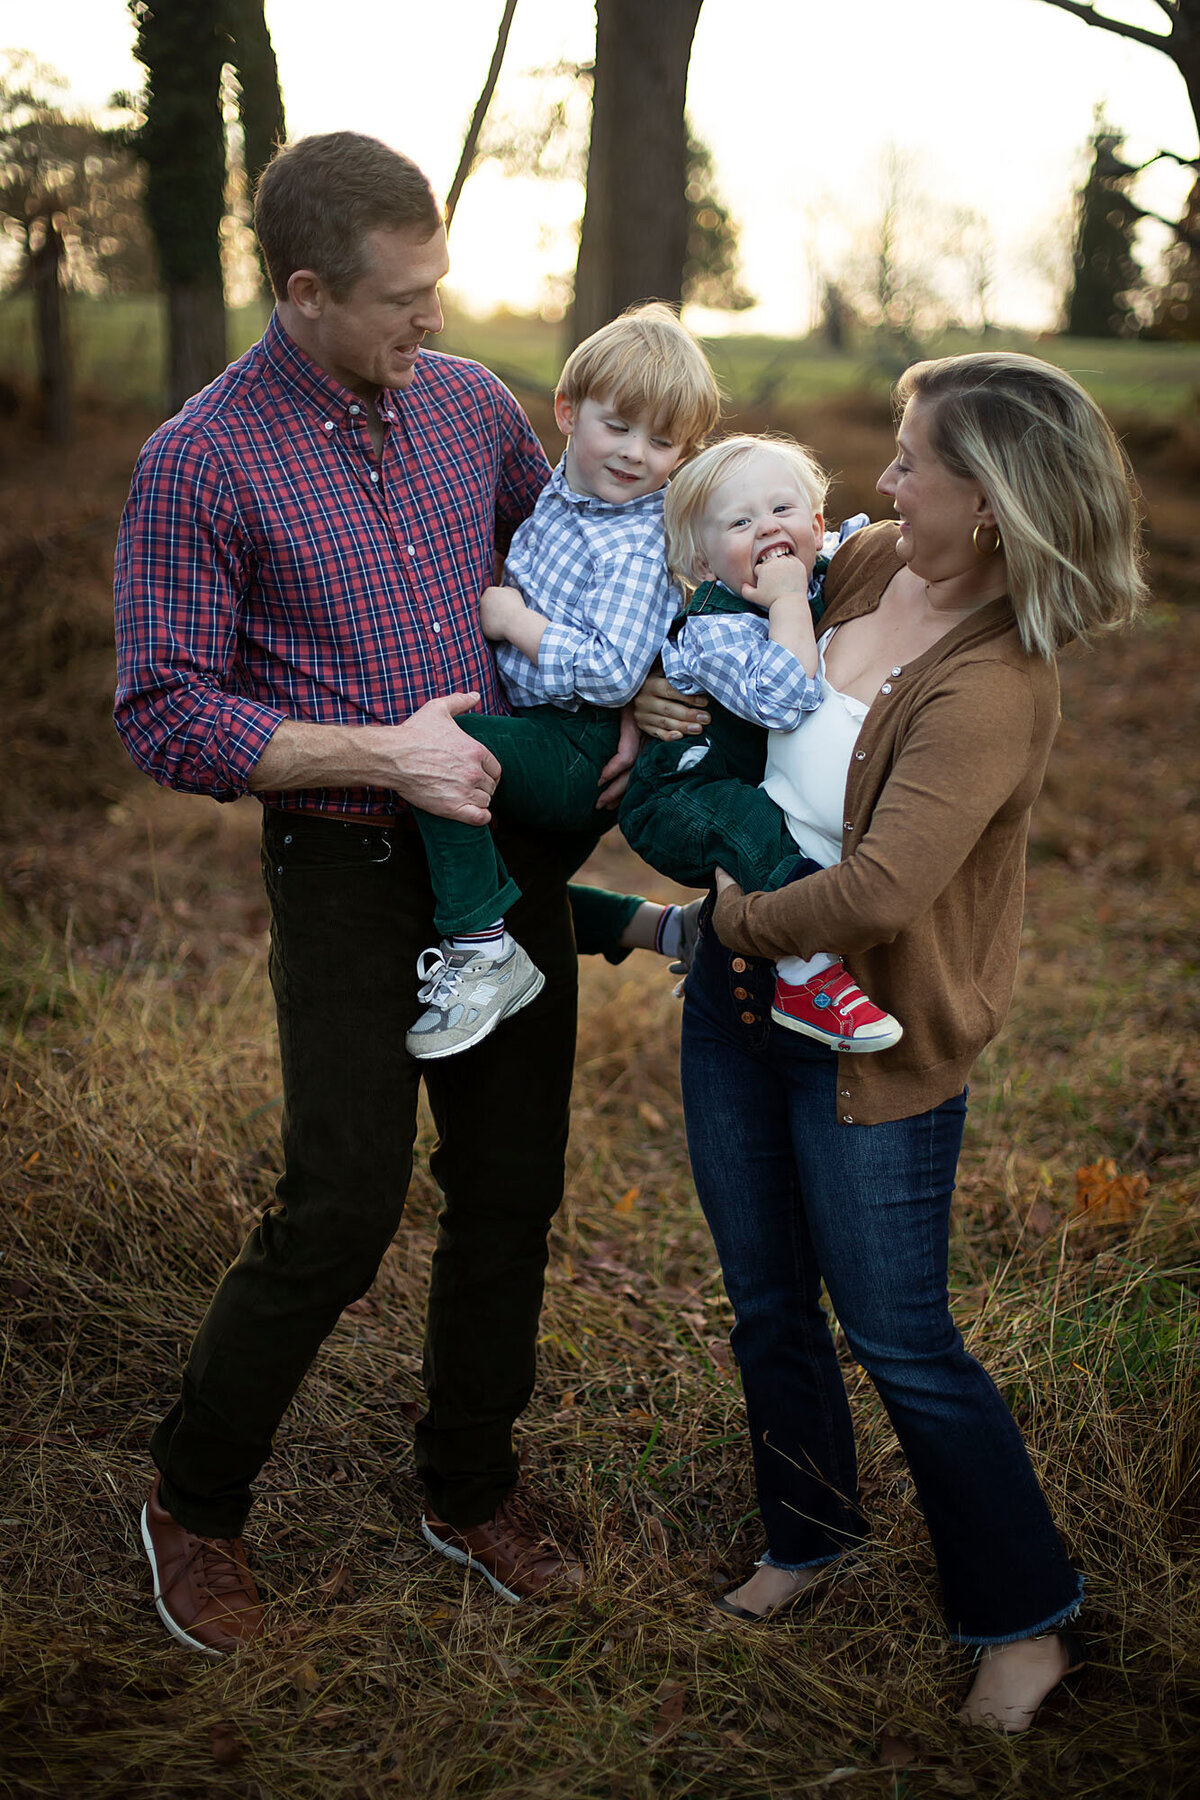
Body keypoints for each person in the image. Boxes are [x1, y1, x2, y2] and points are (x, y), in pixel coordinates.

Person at [113, 131, 627, 1654]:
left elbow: (571, 562)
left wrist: (600, 716)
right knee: (341, 1206)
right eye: (406, 297)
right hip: (343, 865)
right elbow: (163, 711)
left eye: (443, 283)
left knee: (512, 1188)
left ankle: (469, 1488)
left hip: (504, 854)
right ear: (306, 290)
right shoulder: (199, 460)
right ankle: (193, 1505)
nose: (438, 320)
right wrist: (383, 756)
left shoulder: (471, 406)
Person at [635, 352, 1146, 1732]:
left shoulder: (996, 686)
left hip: (875, 1037)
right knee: (764, 1309)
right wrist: (670, 710)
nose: (882, 481)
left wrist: (718, 921)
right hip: (741, 1014)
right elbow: (729, 648)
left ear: (991, 503)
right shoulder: (859, 572)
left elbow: (875, 895)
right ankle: (809, 1535)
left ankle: (1026, 1622)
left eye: (914, 461)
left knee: (903, 1337)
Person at [403, 303, 720, 1060]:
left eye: (663, 441)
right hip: (550, 726)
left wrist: (513, 621)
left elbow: (611, 670)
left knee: (441, 748)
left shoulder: (636, 539)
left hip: (578, 743)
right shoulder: (561, 489)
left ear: (685, 454)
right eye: (618, 426)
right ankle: (671, 928)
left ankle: (483, 952)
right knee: (511, 888)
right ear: (568, 413)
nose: (635, 454)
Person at [619, 435, 900, 1050]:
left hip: (730, 780)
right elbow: (784, 700)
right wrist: (789, 602)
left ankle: (752, 959)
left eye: (783, 509)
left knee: (775, 828)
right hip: (680, 794)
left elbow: (865, 538)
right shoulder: (717, 629)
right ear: (702, 564)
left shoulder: (826, 551)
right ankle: (806, 973)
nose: (768, 528)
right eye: (740, 521)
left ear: (817, 524)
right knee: (754, 826)